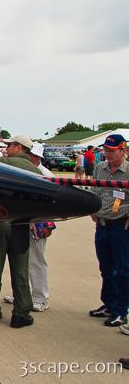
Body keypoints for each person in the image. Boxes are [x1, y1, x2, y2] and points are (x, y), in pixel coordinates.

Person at [0, 135, 40, 328]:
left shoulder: (1, 163)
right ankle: (20, 314)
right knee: (20, 270)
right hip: (21, 224)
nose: (7, 148)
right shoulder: (35, 170)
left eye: (9, 145)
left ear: (19, 147)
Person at [3, 142, 55, 312]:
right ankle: (21, 293)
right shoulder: (24, 170)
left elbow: (52, 202)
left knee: (36, 261)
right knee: (20, 259)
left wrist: (48, 225)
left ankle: (40, 298)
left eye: (33, 156)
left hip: (38, 224)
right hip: (23, 222)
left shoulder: (45, 174)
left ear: (37, 157)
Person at [85, 134, 129, 328]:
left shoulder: (128, 171)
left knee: (123, 269)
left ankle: (121, 310)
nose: (108, 154)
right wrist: (92, 210)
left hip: (121, 225)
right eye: (106, 150)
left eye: (112, 151)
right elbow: (94, 190)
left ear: (122, 150)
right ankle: (109, 304)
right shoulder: (100, 167)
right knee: (106, 268)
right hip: (102, 224)